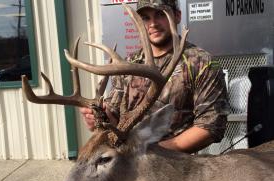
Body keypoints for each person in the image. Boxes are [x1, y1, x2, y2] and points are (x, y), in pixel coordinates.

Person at [80, 0, 229, 153]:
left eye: (160, 14)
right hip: (130, 163)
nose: (153, 24)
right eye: (145, 18)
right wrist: (100, 119)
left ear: (177, 16)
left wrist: (151, 152)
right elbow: (116, 119)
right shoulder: (128, 65)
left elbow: (211, 126)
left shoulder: (202, 63)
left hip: (178, 166)